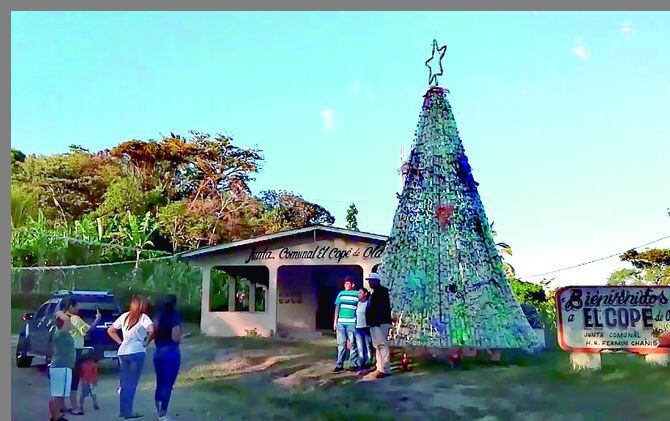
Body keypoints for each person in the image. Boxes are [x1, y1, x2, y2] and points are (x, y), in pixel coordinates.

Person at [107, 295, 154, 420]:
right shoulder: (144, 317)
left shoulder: (125, 316)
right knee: (131, 384)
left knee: (124, 383)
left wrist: (120, 342)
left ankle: (123, 411)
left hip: (123, 352)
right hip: (137, 351)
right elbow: (152, 330)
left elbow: (110, 330)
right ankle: (129, 412)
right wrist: (146, 342)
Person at [63, 298, 101, 416]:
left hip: (63, 350)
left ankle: (62, 405)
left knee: (66, 378)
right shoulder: (75, 319)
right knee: (75, 379)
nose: (77, 309)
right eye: (75, 306)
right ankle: (74, 407)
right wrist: (97, 320)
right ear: (70, 307)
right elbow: (87, 330)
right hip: (75, 351)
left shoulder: (61, 318)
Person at [153, 294, 182, 421]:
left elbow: (153, 332)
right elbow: (175, 336)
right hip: (171, 351)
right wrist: (181, 338)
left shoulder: (158, 316)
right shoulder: (174, 316)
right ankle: (163, 413)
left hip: (158, 351)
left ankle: (159, 409)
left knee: (160, 382)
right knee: (168, 383)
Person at [49, 307, 76, 421]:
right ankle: (56, 418)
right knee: (58, 395)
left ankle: (55, 416)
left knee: (57, 394)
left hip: (59, 366)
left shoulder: (57, 332)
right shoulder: (61, 333)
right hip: (62, 367)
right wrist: (60, 313)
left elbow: (69, 324)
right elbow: (68, 323)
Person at [365, 272, 393, 379]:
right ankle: (379, 367)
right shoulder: (373, 292)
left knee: (382, 345)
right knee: (377, 346)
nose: (369, 282)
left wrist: (376, 320)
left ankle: (385, 368)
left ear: (376, 281)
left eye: (371, 280)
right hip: (374, 323)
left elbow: (380, 307)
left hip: (380, 323)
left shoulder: (381, 291)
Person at [333, 276, 359, 373]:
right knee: (341, 344)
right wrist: (335, 321)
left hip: (352, 323)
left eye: (348, 283)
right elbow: (337, 307)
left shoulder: (357, 294)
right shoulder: (341, 294)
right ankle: (339, 364)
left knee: (352, 344)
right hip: (341, 323)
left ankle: (353, 364)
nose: (346, 285)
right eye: (345, 283)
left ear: (352, 285)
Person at [354, 288, 374, 374]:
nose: (359, 294)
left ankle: (368, 362)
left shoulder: (368, 303)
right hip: (358, 328)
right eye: (358, 293)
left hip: (367, 327)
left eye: (360, 293)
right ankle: (361, 364)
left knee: (368, 345)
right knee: (360, 347)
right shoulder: (357, 304)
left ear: (365, 294)